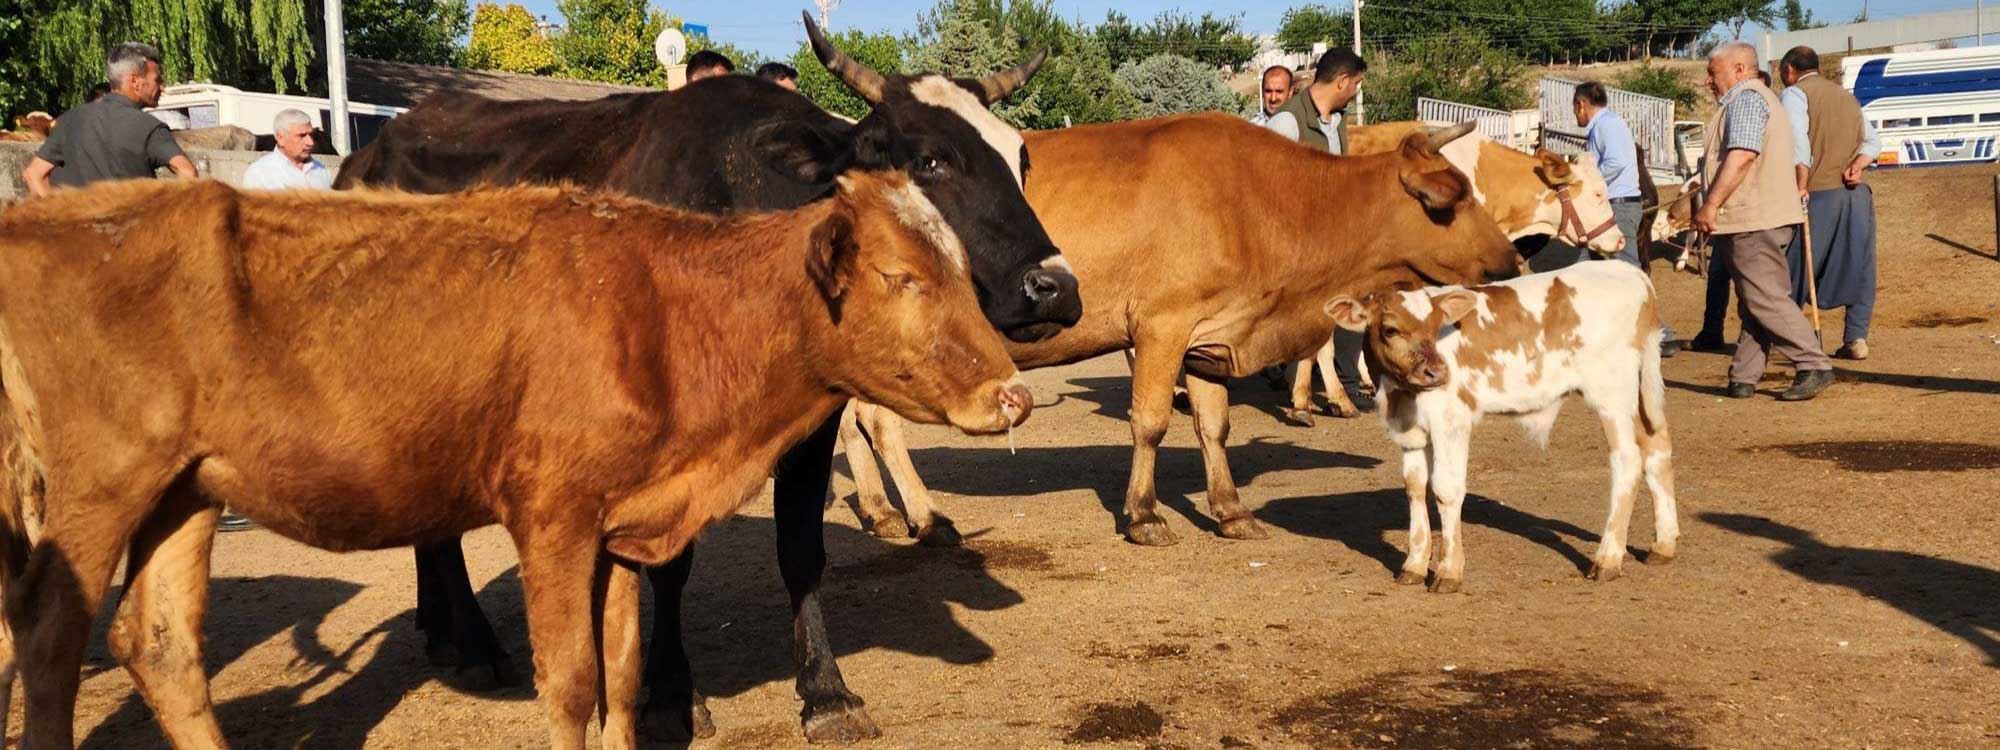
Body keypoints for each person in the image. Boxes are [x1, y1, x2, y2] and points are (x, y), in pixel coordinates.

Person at [1694, 42, 1833, 402]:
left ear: (1740, 69)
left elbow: (1741, 156)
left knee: (1765, 299)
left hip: (1752, 217)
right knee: (1756, 299)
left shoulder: (1746, 100)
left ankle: (1813, 363)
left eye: (1714, 72)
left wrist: (1710, 205)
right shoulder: (1756, 99)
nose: (1708, 80)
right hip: (1760, 215)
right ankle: (1744, 374)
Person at [1266, 48, 1373, 411]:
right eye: (1356, 84)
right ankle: (1323, 384)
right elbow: (1271, 187)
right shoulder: (1287, 122)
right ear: (1342, 81)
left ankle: (1336, 383)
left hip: (1330, 236)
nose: (1356, 91)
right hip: (1295, 239)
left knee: (1348, 298)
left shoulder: (1337, 121)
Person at [1779, 45, 1879, 361]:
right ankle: (1856, 338)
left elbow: (1798, 141)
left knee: (1794, 267)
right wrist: (1858, 165)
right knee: (1861, 265)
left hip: (1819, 193)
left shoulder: (1795, 94)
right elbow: (1873, 141)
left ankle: (1789, 337)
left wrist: (1800, 183)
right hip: (1856, 196)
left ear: (1788, 70)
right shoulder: (1847, 97)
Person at [1575, 81, 1678, 357]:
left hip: (1618, 208)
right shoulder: (1606, 125)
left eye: (1576, 110)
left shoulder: (1606, 125)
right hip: (1615, 206)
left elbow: (1617, 162)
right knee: (1589, 269)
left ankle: (1661, 332)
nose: (1577, 116)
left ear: (1581, 105)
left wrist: (1588, 182)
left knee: (1628, 272)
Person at [21, 42, 195, 197]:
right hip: (128, 228)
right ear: (134, 81)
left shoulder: (69, 119)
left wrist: (59, 219)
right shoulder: (149, 127)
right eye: (157, 80)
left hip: (75, 229)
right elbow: (187, 173)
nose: (162, 87)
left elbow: (34, 175)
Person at [241, 109, 333, 191]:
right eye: (301, 136)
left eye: (311, 135)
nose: (310, 142)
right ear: (280, 138)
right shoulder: (260, 173)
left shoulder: (321, 170)